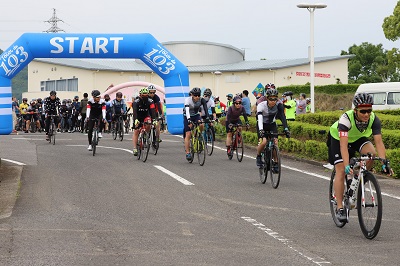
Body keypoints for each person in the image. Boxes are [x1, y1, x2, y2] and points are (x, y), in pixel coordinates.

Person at [328, 92, 393, 222]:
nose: (366, 114)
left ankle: (360, 175)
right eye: (363, 111)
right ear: (355, 110)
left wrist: (384, 162)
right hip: (338, 139)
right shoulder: (345, 119)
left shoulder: (374, 119)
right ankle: (340, 208)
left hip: (357, 138)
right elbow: (343, 146)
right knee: (340, 169)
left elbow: (379, 142)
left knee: (372, 154)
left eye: (369, 111)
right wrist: (346, 165)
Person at [256, 88, 290, 169]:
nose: (273, 101)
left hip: (272, 124)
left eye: (275, 99)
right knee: (264, 142)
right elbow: (259, 118)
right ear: (267, 98)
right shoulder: (261, 105)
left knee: (275, 143)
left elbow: (282, 117)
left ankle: (275, 162)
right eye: (271, 99)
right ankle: (258, 156)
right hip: (262, 124)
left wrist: (286, 129)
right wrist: (261, 130)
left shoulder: (279, 105)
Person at [183, 87, 208, 161]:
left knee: (201, 124)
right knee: (188, 134)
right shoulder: (187, 100)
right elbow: (187, 111)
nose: (197, 97)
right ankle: (188, 153)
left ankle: (199, 136)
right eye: (195, 95)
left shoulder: (201, 100)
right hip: (187, 116)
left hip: (196, 115)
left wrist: (208, 118)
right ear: (192, 95)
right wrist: (189, 120)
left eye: (198, 95)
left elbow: (205, 109)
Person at [132, 87, 157, 156]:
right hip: (138, 116)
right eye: (143, 96)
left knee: (149, 123)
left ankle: (146, 134)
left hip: (146, 115)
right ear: (140, 95)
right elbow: (135, 112)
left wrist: (154, 120)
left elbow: (152, 111)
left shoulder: (150, 101)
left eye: (146, 95)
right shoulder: (136, 102)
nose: (145, 97)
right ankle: (134, 148)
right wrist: (136, 120)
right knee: (136, 131)